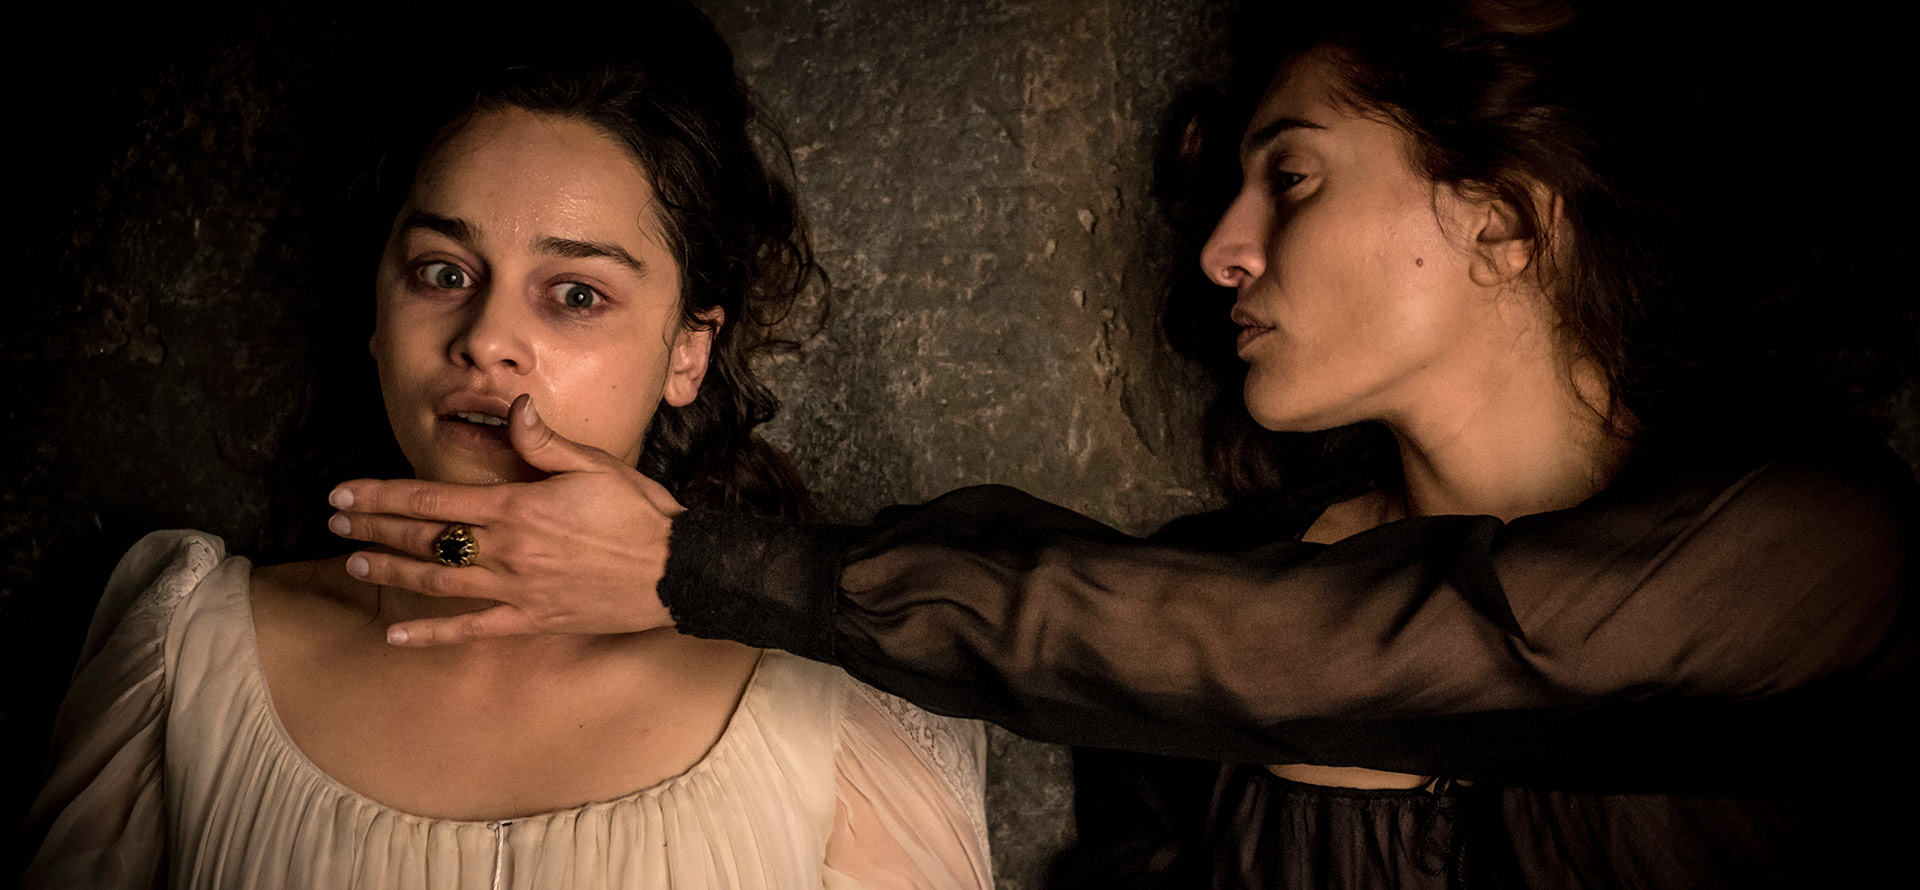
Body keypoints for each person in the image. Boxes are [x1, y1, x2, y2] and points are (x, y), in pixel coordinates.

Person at [322, 1, 1915, 887]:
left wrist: (692, 564)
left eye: (1292, 179)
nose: (1222, 250)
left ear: (1505, 219)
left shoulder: (1819, 546)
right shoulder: (1183, 606)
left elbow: (1399, 647)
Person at [23, 9, 993, 890]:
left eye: (576, 293)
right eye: (443, 272)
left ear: (688, 352)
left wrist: (690, 573)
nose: (487, 337)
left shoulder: (837, 706)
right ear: (377, 314)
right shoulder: (187, 659)